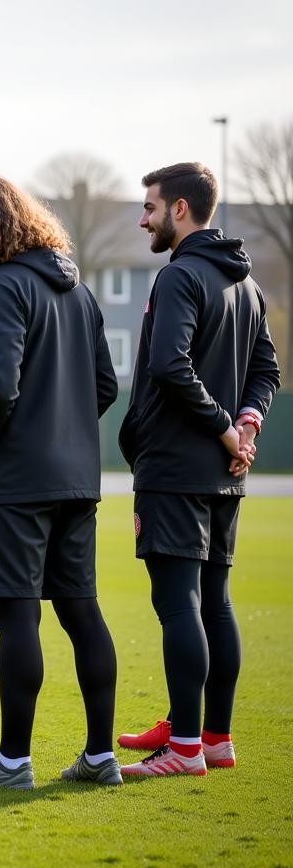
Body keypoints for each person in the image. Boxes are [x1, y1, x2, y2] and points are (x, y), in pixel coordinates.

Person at [0, 176, 121, 790]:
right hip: (75, 481)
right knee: (82, 613)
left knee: (17, 621)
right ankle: (100, 756)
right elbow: (104, 386)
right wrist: (61, 434)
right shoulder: (81, 291)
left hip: (11, 483)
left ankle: (13, 762)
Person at [116, 162, 280, 778]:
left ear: (180, 209)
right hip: (224, 469)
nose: (143, 219)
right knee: (216, 602)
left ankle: (183, 749)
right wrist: (246, 425)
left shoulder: (181, 275)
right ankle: (212, 737)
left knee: (179, 605)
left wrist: (225, 427)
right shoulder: (248, 284)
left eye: (150, 208)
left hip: (178, 466)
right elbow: (267, 374)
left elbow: (169, 365)